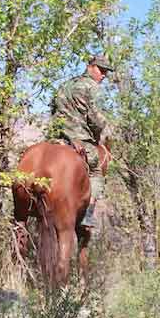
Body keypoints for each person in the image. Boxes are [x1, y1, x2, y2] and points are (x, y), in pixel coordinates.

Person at [49, 54, 114, 229]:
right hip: (81, 139)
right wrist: (103, 129)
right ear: (90, 66)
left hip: (57, 137)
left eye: (106, 72)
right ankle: (88, 214)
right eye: (101, 70)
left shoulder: (66, 85)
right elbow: (94, 116)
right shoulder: (92, 87)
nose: (104, 75)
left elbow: (53, 109)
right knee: (96, 171)